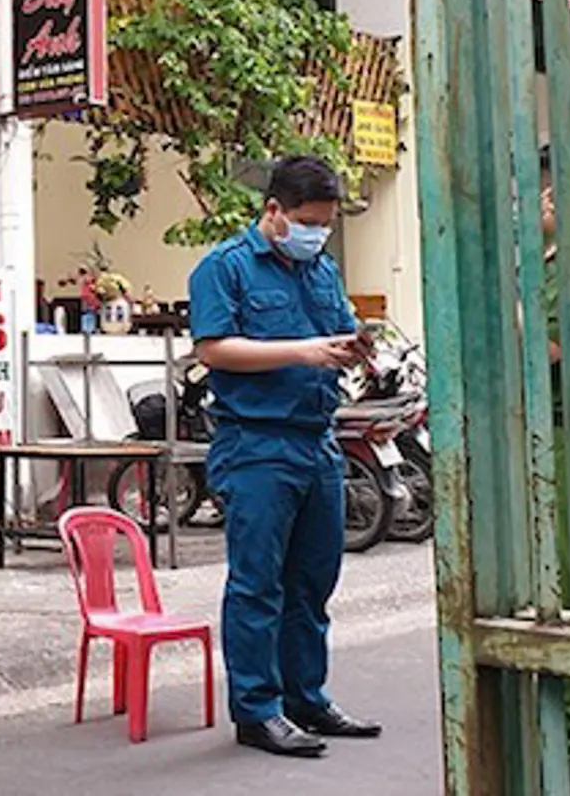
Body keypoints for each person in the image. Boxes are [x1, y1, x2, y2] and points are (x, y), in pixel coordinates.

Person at [187, 155, 382, 759]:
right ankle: (257, 710)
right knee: (257, 584)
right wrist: (302, 352)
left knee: (312, 582)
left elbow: (338, 332)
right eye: (306, 221)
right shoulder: (224, 268)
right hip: (257, 444)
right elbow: (214, 349)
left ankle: (307, 697)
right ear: (272, 211)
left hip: (318, 439)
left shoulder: (321, 269)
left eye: (324, 224)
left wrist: (355, 350)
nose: (316, 233)